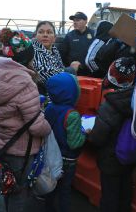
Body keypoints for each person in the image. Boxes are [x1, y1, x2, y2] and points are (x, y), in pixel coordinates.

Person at [0, 28, 51, 212]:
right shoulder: (25, 82)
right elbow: (36, 127)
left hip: (1, 142)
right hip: (22, 149)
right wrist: (48, 126)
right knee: (19, 192)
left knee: (7, 186)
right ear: (26, 57)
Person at [87, 57, 136, 212]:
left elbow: (97, 138)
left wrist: (89, 133)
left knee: (110, 196)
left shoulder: (109, 105)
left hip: (110, 160)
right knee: (125, 192)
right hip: (130, 156)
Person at [44, 72, 86, 212]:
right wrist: (85, 133)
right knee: (65, 191)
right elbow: (75, 143)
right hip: (67, 160)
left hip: (51, 156)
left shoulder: (49, 108)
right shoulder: (72, 114)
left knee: (51, 188)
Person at [32, 21, 67, 94]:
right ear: (35, 36)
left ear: (54, 38)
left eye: (49, 32)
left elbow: (61, 67)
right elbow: (45, 76)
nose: (45, 35)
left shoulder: (54, 50)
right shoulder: (32, 51)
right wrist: (69, 72)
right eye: (41, 32)